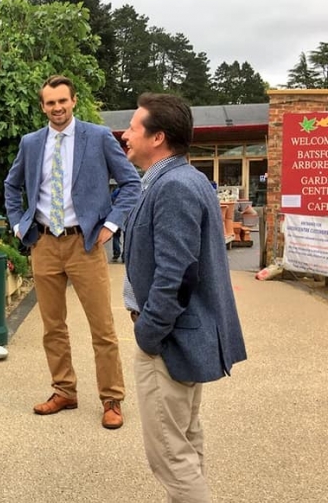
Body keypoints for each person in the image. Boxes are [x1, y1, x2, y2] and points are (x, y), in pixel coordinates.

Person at [121, 93, 247, 502]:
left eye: (134, 127)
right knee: (186, 443)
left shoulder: (173, 185)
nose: (125, 134)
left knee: (171, 457)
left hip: (169, 341)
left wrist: (148, 334)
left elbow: (176, 274)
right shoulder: (183, 179)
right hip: (181, 338)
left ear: (157, 137)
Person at [4, 74, 141, 429]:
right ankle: (64, 390)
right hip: (44, 243)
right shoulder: (31, 143)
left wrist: (111, 225)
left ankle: (112, 398)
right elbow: (12, 184)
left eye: (62, 101)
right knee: (52, 326)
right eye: (50, 103)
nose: (57, 108)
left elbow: (131, 183)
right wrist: (20, 225)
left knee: (103, 327)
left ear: (73, 101)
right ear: (43, 106)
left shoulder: (97, 138)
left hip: (86, 243)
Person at [111, 186, 123, 262]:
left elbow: (111, 200)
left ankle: (116, 253)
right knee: (127, 237)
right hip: (128, 215)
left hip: (117, 214)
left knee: (115, 236)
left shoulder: (116, 192)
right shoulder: (130, 191)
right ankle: (125, 256)